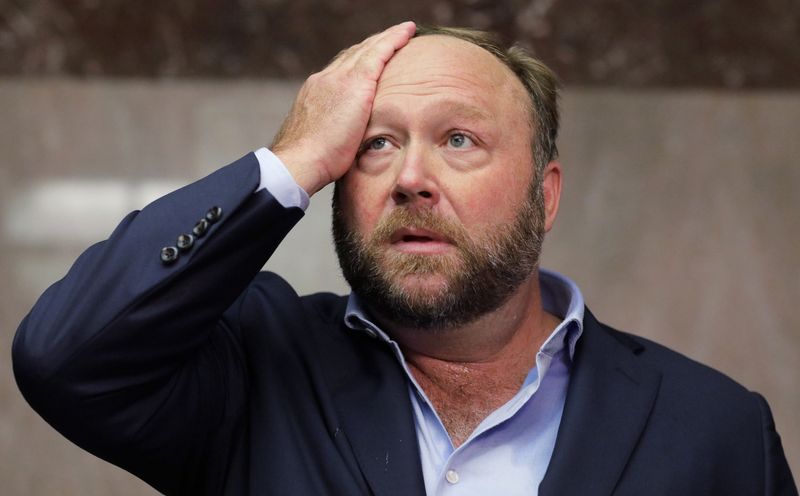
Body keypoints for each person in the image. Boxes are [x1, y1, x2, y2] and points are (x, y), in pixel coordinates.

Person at [12, 21, 796, 496]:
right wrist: (292, 159)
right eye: (374, 144)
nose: (411, 178)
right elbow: (66, 357)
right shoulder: (251, 366)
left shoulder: (715, 428)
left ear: (545, 196)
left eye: (459, 140)